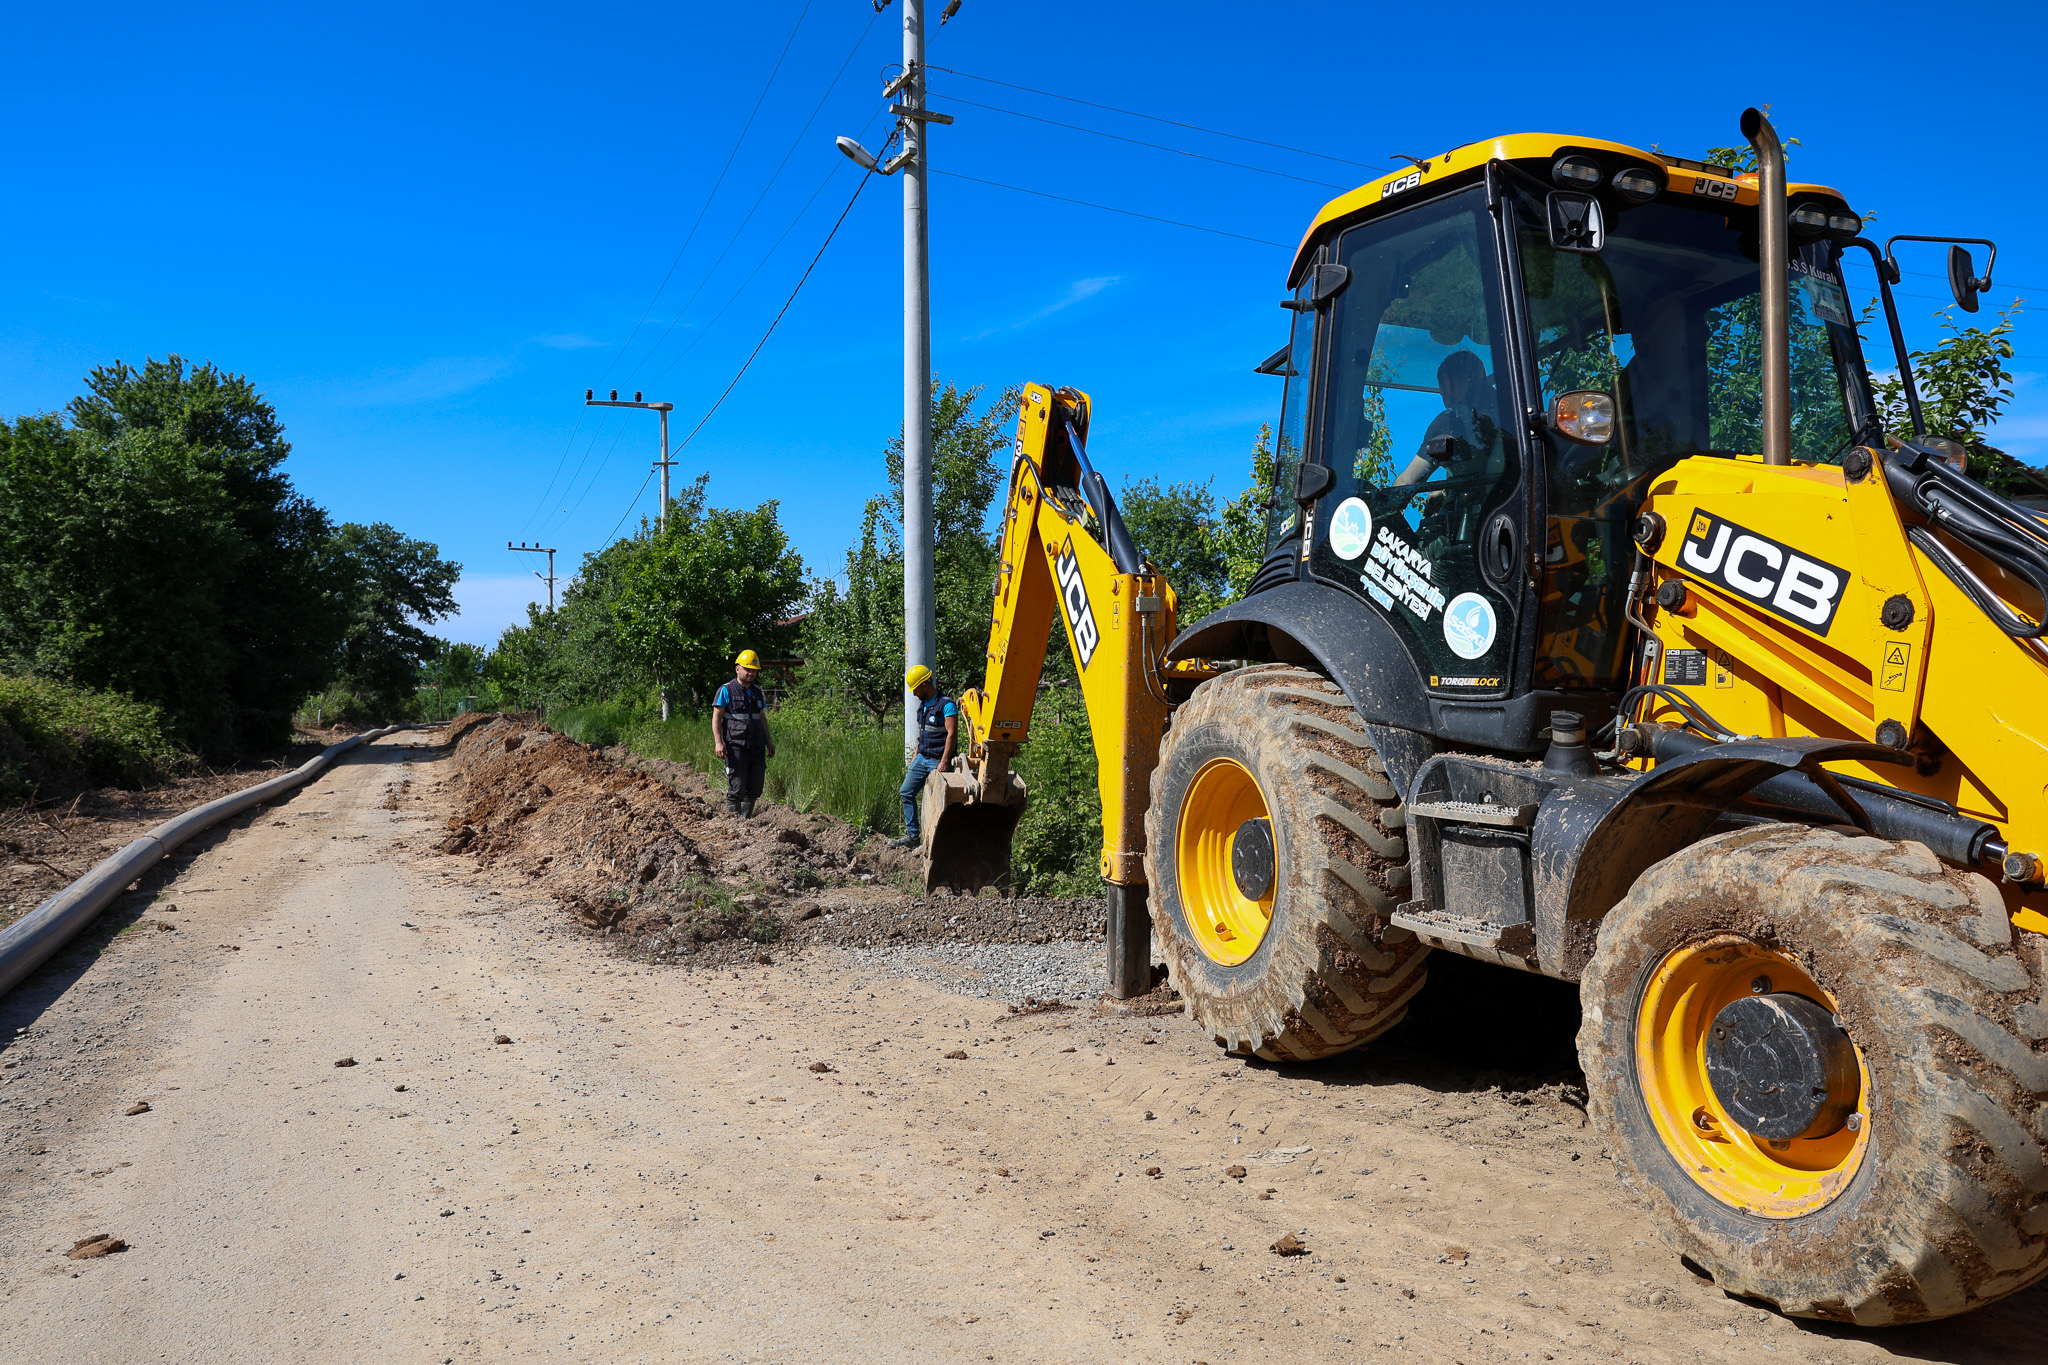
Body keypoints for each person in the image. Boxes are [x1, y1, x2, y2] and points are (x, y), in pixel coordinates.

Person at [889, 664, 957, 850]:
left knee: (938, 803)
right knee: (906, 792)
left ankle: (937, 843)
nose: (913, 693)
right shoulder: (923, 705)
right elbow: (923, 732)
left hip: (938, 760)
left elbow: (951, 735)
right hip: (922, 757)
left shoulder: (947, 705)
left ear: (925, 684)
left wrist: (944, 762)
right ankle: (913, 837)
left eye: (916, 688)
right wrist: (916, 755)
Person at [712, 649, 774, 818]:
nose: (750, 672)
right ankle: (733, 823)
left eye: (753, 670)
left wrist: (769, 742)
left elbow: (762, 719)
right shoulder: (726, 690)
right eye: (747, 668)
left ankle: (746, 822)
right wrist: (719, 742)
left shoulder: (756, 692)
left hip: (757, 746)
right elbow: (716, 717)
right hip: (735, 747)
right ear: (737, 668)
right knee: (737, 787)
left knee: (755, 787)